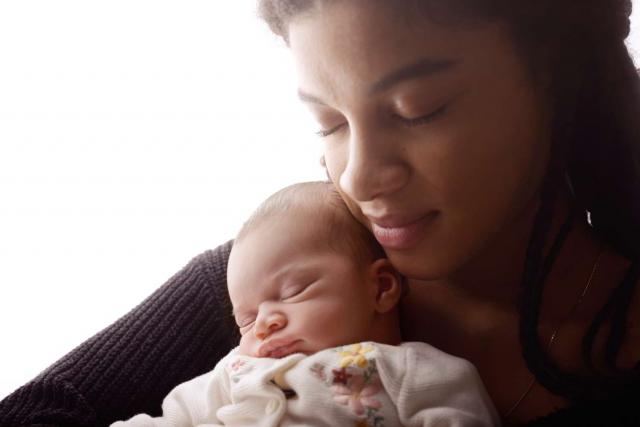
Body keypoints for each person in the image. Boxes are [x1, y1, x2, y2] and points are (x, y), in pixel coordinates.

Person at [1, 0, 639, 425]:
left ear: (557, 83)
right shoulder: (278, 277)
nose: (358, 176)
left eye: (418, 109)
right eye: (327, 122)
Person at [110, 181, 499, 426]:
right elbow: (172, 419)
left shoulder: (410, 373)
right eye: (245, 320)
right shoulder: (236, 372)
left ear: (380, 287)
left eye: (292, 292)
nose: (264, 323)